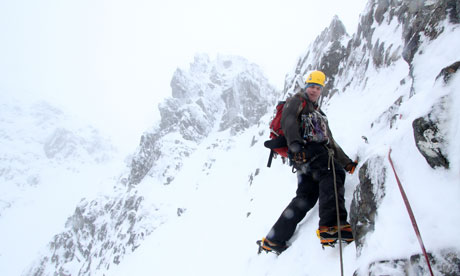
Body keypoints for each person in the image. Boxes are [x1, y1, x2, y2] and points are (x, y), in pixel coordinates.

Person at [259, 70, 357, 254]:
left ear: (321, 91)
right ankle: (331, 226)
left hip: (303, 159)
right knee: (332, 173)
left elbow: (330, 141)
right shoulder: (297, 101)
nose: (314, 90)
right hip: (308, 151)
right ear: (306, 86)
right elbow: (289, 122)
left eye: (318, 88)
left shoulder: (318, 113)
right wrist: (296, 147)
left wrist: (346, 162)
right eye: (311, 86)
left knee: (305, 197)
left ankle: (275, 239)